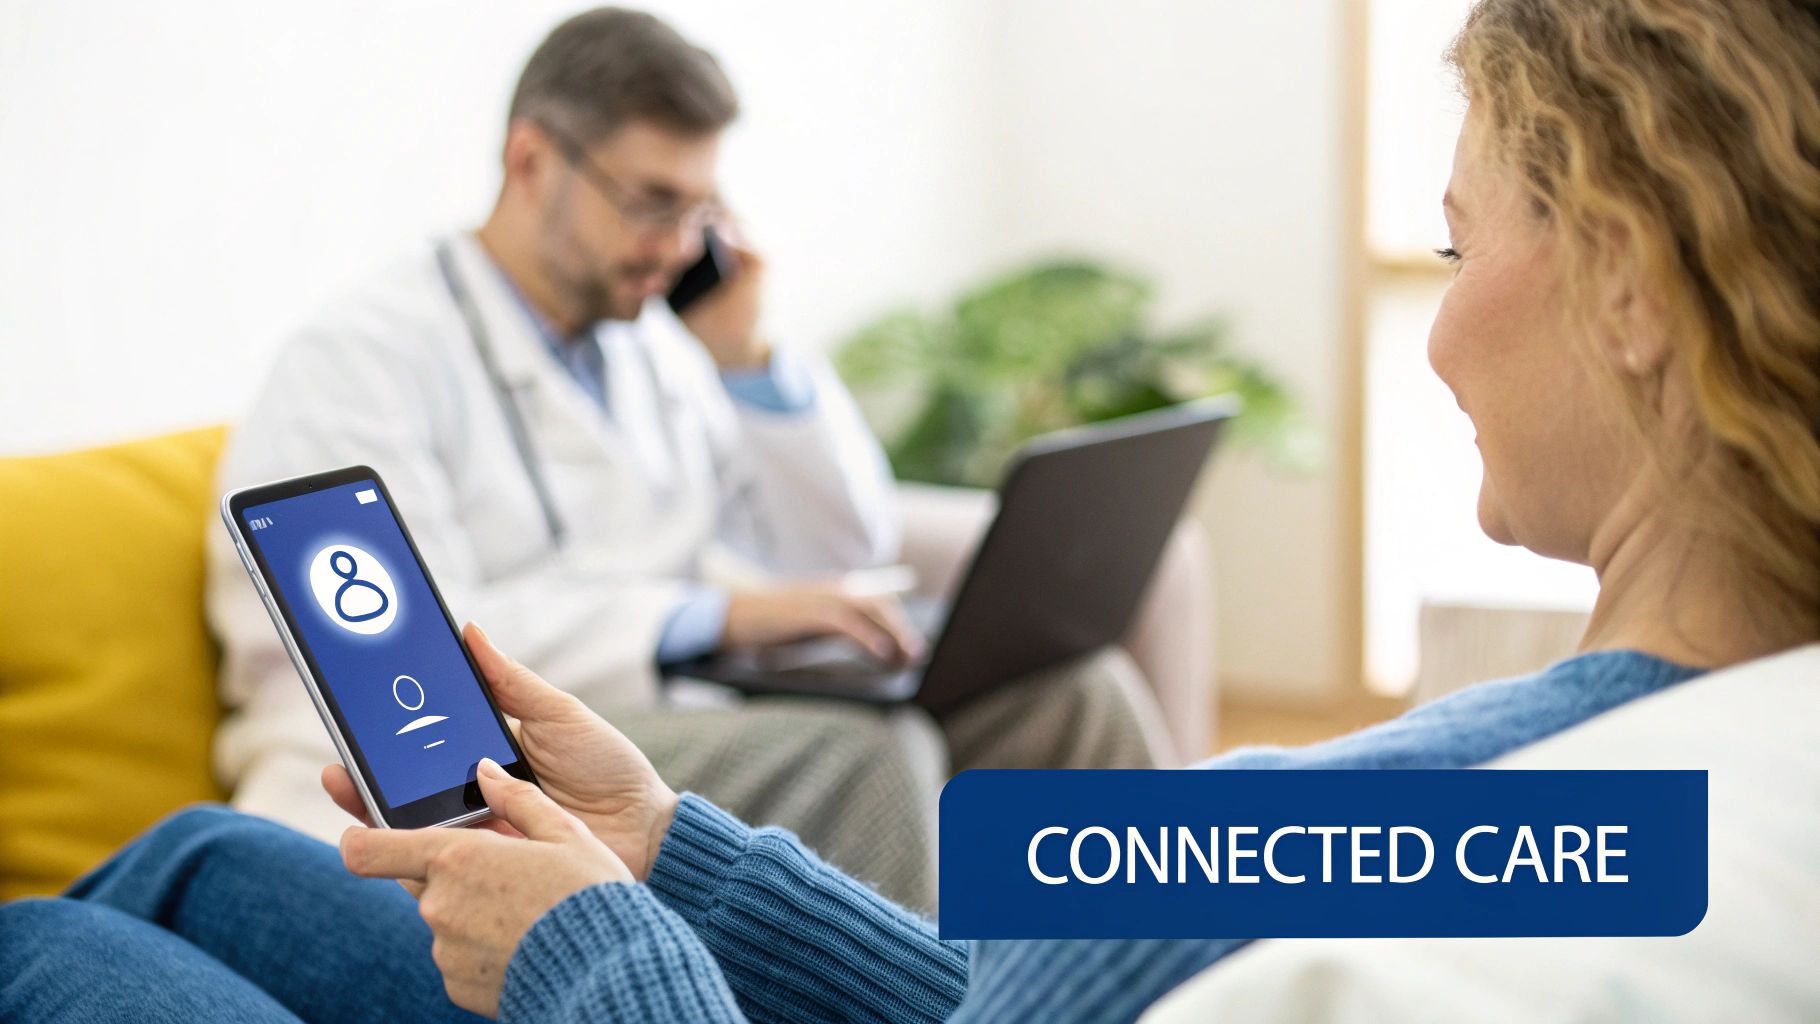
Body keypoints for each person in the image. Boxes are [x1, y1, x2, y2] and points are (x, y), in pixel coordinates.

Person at [9, 0, 1820, 1019]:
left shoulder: (1467, 836)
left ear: (1631, 282)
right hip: (586, 766)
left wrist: (594, 947)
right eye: (645, 202)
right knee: (209, 857)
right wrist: (676, 853)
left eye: (1457, 241)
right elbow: (1002, 997)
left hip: (616, 947)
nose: (1439, 317)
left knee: (90, 920)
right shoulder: (1621, 790)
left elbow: (835, 539)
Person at [205, 6, 1173, 911]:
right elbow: (400, 664)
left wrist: (747, 358)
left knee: (1073, 697)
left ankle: (1160, 989)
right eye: (651, 203)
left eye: (699, 213)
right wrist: (712, 617)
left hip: (654, 712)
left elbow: (842, 542)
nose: (676, 247)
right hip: (452, 770)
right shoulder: (359, 359)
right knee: (868, 756)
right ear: (530, 159)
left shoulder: (651, 348)